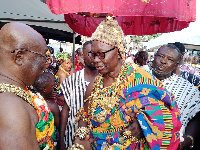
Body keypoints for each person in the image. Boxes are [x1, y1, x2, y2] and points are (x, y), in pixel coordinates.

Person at [69, 18, 181, 150]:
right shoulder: (94, 85)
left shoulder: (141, 79)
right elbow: (84, 116)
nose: (95, 60)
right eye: (93, 55)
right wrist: (81, 139)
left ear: (118, 51)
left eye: (101, 54)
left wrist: (145, 124)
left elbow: (170, 118)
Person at [0, 22, 56, 149]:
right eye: (43, 56)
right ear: (19, 57)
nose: (45, 64)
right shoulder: (11, 108)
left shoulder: (13, 93)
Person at [151, 44, 200, 149]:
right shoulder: (137, 79)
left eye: (170, 59)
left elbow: (196, 116)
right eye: (160, 56)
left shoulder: (188, 90)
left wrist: (189, 139)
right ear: (154, 57)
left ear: (176, 65)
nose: (163, 61)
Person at [60, 40, 98, 149]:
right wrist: (61, 138)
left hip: (97, 140)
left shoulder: (106, 81)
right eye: (90, 53)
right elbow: (65, 109)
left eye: (97, 53)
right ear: (82, 56)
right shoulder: (72, 80)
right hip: (72, 137)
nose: (94, 57)